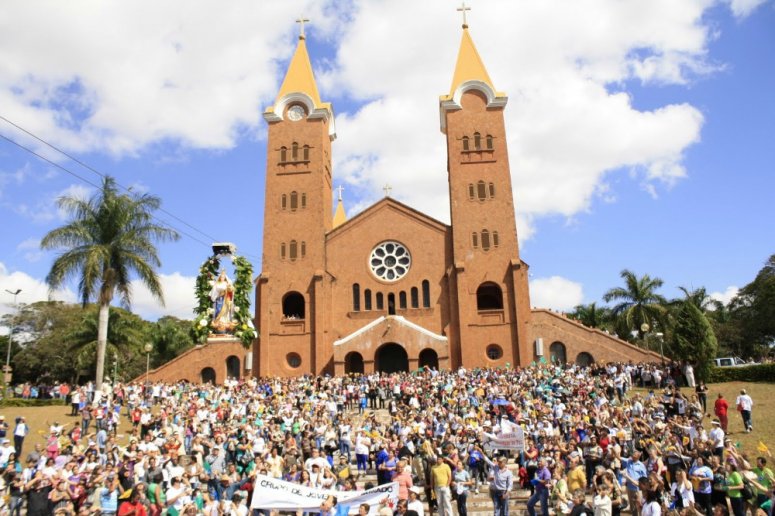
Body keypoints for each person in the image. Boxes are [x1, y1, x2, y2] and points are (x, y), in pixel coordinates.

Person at [480, 451, 514, 516]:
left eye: (500, 462)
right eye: (498, 462)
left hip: (503, 492)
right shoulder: (495, 467)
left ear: (504, 463)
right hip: (495, 492)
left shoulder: (508, 473)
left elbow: (510, 485)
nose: (498, 463)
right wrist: (480, 451)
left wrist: (506, 494)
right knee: (496, 509)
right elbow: (487, 460)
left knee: (505, 510)